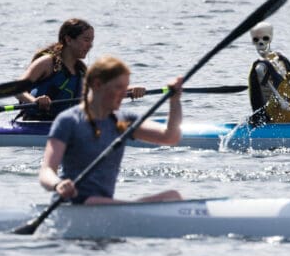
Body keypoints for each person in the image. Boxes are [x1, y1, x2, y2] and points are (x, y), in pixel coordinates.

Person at [39, 55, 183, 204]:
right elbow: (46, 171)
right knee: (93, 201)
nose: (124, 94)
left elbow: (170, 137)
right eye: (119, 87)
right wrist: (57, 184)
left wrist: (174, 100)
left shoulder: (124, 120)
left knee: (173, 196)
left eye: (126, 87)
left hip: (105, 205)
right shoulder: (68, 121)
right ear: (97, 84)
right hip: (75, 204)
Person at [16, 18, 146, 121]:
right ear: (68, 40)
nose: (90, 45)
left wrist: (132, 90)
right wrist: (34, 101)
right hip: (35, 124)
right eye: (86, 40)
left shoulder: (81, 71)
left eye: (92, 40)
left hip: (66, 124)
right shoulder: (47, 63)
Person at [247, 21, 290, 126]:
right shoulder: (260, 67)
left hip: (287, 112)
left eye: (265, 38)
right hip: (272, 115)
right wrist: (281, 101)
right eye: (256, 40)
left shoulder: (281, 59)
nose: (261, 43)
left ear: (271, 38)